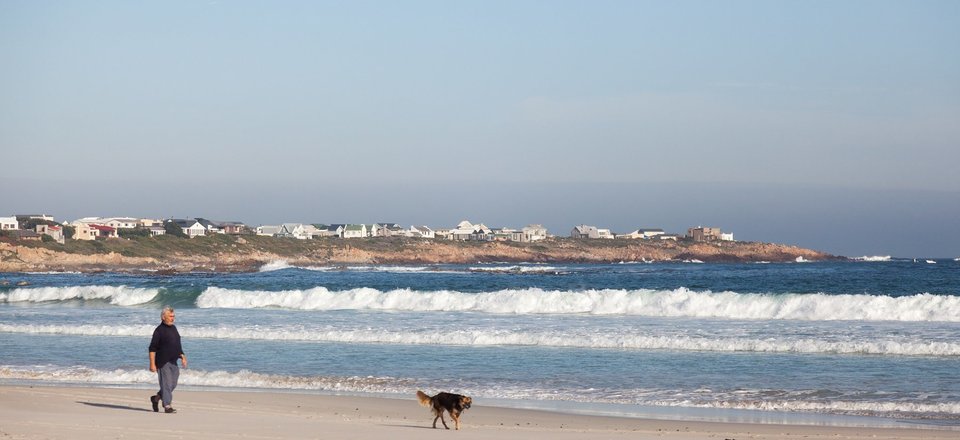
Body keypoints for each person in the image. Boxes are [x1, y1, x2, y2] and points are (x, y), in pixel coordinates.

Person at [148, 305, 187, 413]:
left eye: (173, 316)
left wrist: (182, 355)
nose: (172, 318)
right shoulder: (159, 330)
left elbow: (177, 344)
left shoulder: (174, 328)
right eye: (170, 316)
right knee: (166, 384)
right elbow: (152, 348)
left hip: (174, 361)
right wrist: (152, 364)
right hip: (163, 362)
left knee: (172, 384)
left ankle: (156, 398)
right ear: (163, 317)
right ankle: (167, 405)